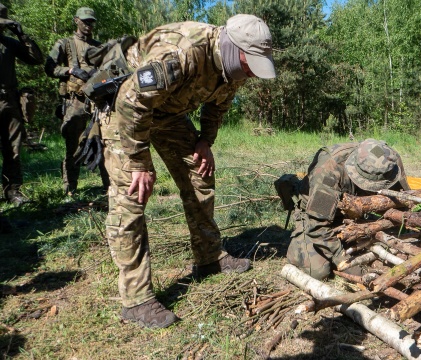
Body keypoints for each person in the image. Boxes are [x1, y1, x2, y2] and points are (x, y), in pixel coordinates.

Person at [98, 15, 276, 328]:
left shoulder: (234, 66)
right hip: (124, 111)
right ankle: (136, 299)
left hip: (167, 114)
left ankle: (208, 258)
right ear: (235, 49)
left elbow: (217, 106)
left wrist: (205, 141)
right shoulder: (182, 53)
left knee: (200, 172)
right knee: (132, 193)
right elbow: (131, 100)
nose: (251, 72)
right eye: (251, 63)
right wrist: (139, 162)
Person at [285, 139, 409, 280]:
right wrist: (345, 260)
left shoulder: (389, 160)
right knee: (318, 272)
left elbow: (403, 200)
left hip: (356, 213)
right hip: (318, 216)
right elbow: (317, 225)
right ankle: (298, 244)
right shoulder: (329, 172)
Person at [45, 7, 109, 195]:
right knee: (73, 146)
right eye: (85, 21)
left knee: (104, 143)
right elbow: (49, 67)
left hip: (98, 102)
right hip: (75, 103)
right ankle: (70, 189)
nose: (88, 25)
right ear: (76, 21)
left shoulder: (99, 47)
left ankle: (110, 186)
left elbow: (109, 70)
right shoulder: (65, 44)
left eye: (91, 22)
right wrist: (70, 71)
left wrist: (99, 73)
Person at [0, 2, 43, 205]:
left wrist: (22, 35)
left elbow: (36, 59)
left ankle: (13, 191)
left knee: (13, 148)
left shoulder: (9, 43)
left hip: (9, 100)